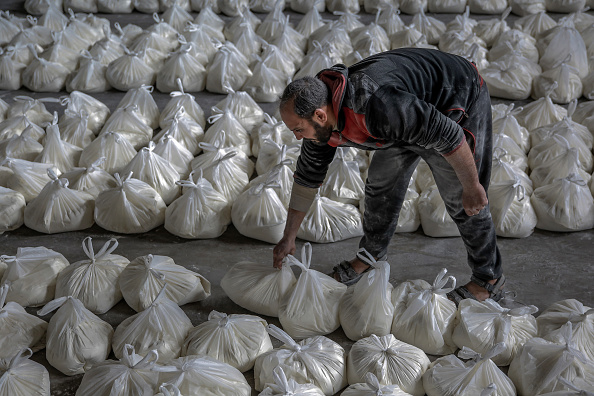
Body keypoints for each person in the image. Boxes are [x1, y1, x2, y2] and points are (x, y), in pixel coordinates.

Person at [272, 48, 505, 303]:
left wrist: (472, 186)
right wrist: (288, 237)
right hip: (408, 116)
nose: (296, 136)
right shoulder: (320, 122)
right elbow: (307, 177)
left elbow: (449, 135)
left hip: (456, 99)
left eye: (298, 129)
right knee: (381, 186)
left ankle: (488, 278)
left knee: (464, 200)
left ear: (319, 115)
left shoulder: (375, 104)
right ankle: (370, 257)